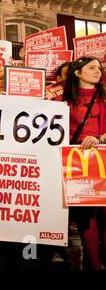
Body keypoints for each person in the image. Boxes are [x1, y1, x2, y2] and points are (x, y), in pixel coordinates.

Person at [62, 56, 106, 270]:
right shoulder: (64, 99)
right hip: (76, 162)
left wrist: (99, 139)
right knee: (85, 217)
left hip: (101, 160)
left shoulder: (104, 98)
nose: (97, 71)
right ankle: (94, 264)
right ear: (77, 72)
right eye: (91, 68)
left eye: (99, 68)